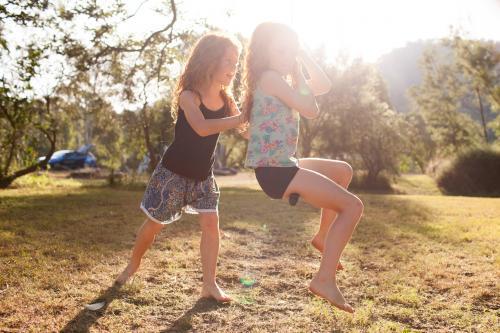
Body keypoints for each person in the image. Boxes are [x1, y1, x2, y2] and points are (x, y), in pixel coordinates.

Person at [242, 22, 363, 313]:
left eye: (291, 49)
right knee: (353, 207)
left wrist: (303, 55)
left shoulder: (282, 79)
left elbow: (324, 86)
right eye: (281, 50)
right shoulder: (271, 78)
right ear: (263, 53)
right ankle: (324, 279)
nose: (287, 55)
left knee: (342, 171)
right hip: (275, 171)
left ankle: (322, 237)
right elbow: (311, 109)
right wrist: (298, 73)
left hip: (283, 163)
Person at [116, 32, 244, 303]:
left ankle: (209, 284)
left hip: (203, 176)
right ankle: (133, 264)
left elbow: (245, 128)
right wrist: (239, 119)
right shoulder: (190, 95)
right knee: (154, 225)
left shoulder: (226, 100)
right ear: (210, 61)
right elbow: (201, 127)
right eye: (229, 61)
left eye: (237, 63)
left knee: (211, 224)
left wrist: (263, 113)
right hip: (173, 174)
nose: (234, 68)